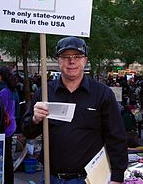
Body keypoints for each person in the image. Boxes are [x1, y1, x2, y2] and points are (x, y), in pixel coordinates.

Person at [22, 36, 128, 184]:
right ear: (58, 60)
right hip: (51, 178)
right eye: (66, 57)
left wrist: (117, 177)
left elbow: (116, 136)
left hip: (89, 179)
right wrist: (35, 119)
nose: (72, 61)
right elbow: (28, 132)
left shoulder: (102, 94)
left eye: (77, 56)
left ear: (85, 60)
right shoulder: (45, 93)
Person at [0, 66, 18, 184]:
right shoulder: (12, 90)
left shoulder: (4, 92)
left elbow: (2, 110)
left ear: (0, 77)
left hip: (6, 128)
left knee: (5, 159)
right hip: (12, 126)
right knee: (8, 157)